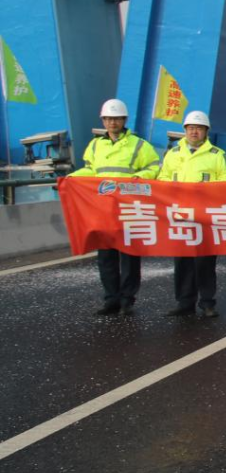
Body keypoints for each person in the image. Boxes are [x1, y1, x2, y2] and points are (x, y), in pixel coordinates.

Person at [69, 99, 161, 316]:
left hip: (129, 208)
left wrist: (138, 178)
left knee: (129, 255)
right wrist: (71, 179)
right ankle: (111, 299)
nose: (113, 122)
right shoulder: (95, 145)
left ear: (124, 120)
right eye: (109, 119)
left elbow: (154, 167)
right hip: (104, 209)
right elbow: (91, 170)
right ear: (103, 121)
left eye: (117, 118)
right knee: (106, 256)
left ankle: (127, 299)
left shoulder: (139, 145)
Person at [157, 110, 226, 318]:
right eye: (190, 128)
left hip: (205, 217)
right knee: (182, 261)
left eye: (198, 128)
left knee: (205, 261)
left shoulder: (217, 155)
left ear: (206, 131)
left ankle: (207, 302)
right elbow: (162, 179)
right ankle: (184, 302)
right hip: (180, 215)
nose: (194, 132)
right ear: (185, 130)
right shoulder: (173, 154)